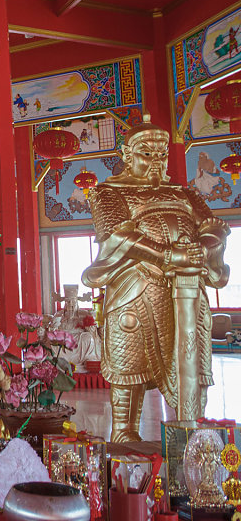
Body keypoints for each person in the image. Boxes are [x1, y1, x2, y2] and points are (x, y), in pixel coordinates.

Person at [82, 119, 229, 442]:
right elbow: (118, 236)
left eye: (161, 155)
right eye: (146, 154)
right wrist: (166, 255)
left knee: (190, 357)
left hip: (187, 288)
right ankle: (124, 431)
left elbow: (215, 226)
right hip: (136, 289)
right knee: (129, 360)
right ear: (126, 154)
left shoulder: (184, 193)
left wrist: (202, 250)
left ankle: (191, 431)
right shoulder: (108, 193)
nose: (155, 162)